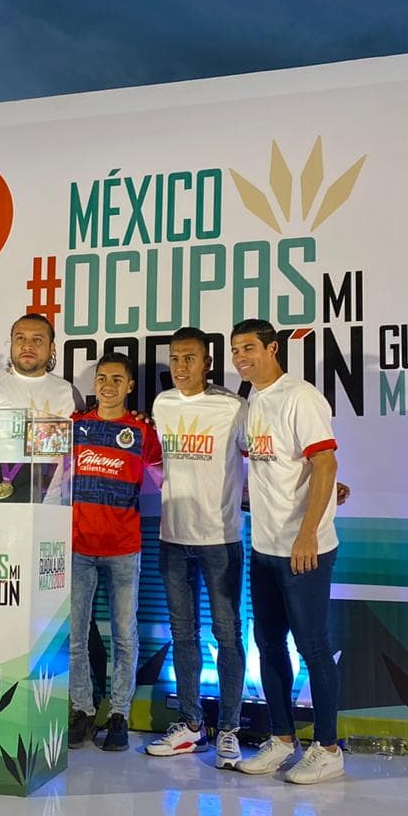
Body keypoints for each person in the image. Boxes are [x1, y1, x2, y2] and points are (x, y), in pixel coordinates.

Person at [230, 319, 344, 784]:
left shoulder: (300, 395)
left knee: (313, 646)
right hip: (263, 544)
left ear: (273, 348)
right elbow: (282, 467)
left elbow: (325, 460)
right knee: (269, 642)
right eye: (236, 349)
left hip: (304, 548)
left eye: (250, 348)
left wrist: (308, 532)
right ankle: (281, 740)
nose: (241, 357)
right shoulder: (253, 400)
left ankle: (329, 747)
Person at [144, 327, 249, 768]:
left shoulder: (233, 407)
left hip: (220, 538)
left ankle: (229, 728)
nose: (181, 367)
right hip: (172, 536)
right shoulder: (162, 404)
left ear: (208, 362)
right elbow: (154, 463)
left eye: (190, 358)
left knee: (227, 634)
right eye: (175, 359)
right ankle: (191, 726)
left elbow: (263, 457)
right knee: (182, 633)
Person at [67, 353, 162, 751]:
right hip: (77, 545)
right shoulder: (75, 427)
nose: (107, 385)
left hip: (124, 547)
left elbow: (157, 485)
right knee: (75, 637)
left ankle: (120, 714)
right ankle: (82, 710)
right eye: (101, 378)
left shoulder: (142, 432)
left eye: (116, 379)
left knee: (125, 636)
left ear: (130, 387)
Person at [0, 312, 83, 485]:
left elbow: (80, 456)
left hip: (52, 507)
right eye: (20, 338)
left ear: (52, 347)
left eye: (37, 339)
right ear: (12, 344)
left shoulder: (68, 392)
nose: (27, 346)